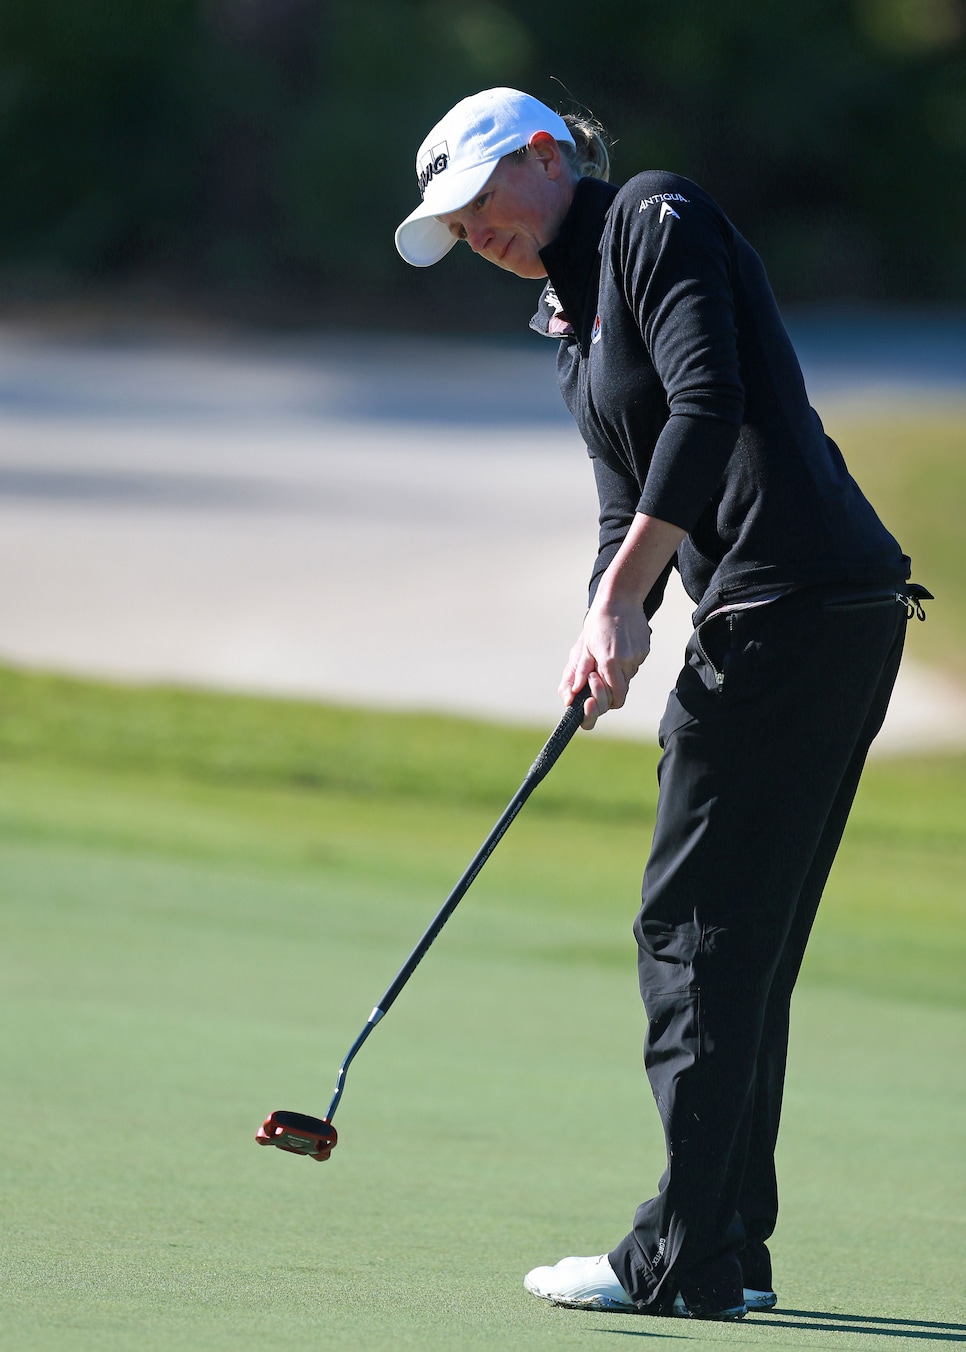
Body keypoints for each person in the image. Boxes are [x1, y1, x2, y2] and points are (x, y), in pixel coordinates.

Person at [394, 87, 929, 1321]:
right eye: (452, 221)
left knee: (691, 933)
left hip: (793, 610)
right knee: (738, 944)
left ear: (547, 157)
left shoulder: (652, 216)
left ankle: (681, 1253)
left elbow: (710, 403)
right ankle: (728, 1243)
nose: (472, 230)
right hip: (804, 613)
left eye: (481, 200)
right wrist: (607, 619)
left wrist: (633, 596)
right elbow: (616, 504)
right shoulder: (571, 324)